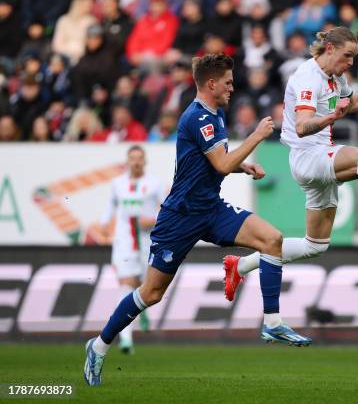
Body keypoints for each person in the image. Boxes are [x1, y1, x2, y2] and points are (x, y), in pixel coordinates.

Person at [84, 53, 311, 387]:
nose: (233, 88)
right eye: (229, 82)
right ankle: (100, 345)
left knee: (272, 239)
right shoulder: (198, 117)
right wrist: (257, 136)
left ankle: (272, 322)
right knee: (151, 293)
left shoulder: (214, 114)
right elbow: (219, 164)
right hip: (180, 218)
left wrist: (242, 165)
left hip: (211, 210)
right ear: (211, 83)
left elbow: (214, 162)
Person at [221, 26, 358, 303]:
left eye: (354, 57)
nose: (351, 62)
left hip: (319, 158)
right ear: (330, 49)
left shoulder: (336, 78)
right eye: (347, 55)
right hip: (307, 156)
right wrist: (330, 118)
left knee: (315, 245)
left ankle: (239, 266)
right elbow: (302, 127)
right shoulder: (307, 78)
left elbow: (352, 102)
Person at [100, 145, 164, 354]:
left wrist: (152, 221)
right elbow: (110, 207)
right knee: (126, 283)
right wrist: (104, 224)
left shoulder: (155, 184)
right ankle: (126, 338)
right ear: (127, 161)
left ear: (144, 161)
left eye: (139, 158)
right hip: (125, 241)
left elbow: (166, 212)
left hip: (147, 241)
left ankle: (141, 313)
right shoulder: (117, 184)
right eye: (132, 158)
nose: (136, 162)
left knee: (146, 286)